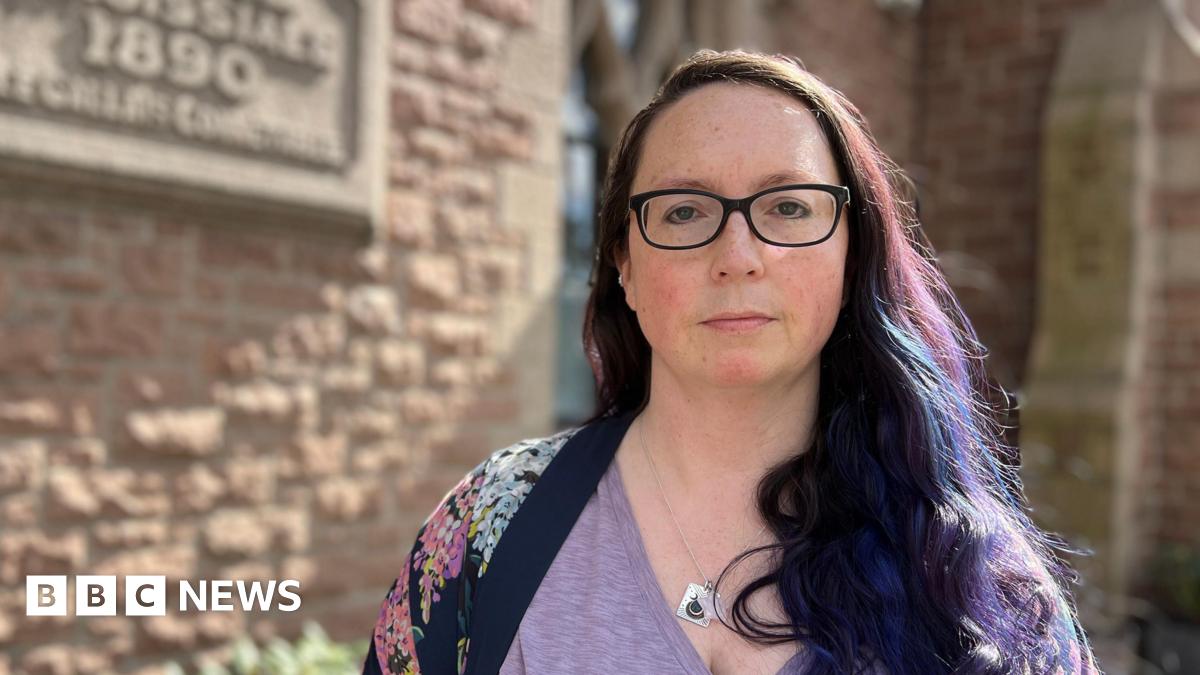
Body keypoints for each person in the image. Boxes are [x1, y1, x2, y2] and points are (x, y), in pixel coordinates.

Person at [363, 49, 1102, 675]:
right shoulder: (491, 523)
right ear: (624, 260)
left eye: (788, 206)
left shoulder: (974, 582)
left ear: (852, 254)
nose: (737, 256)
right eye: (684, 211)